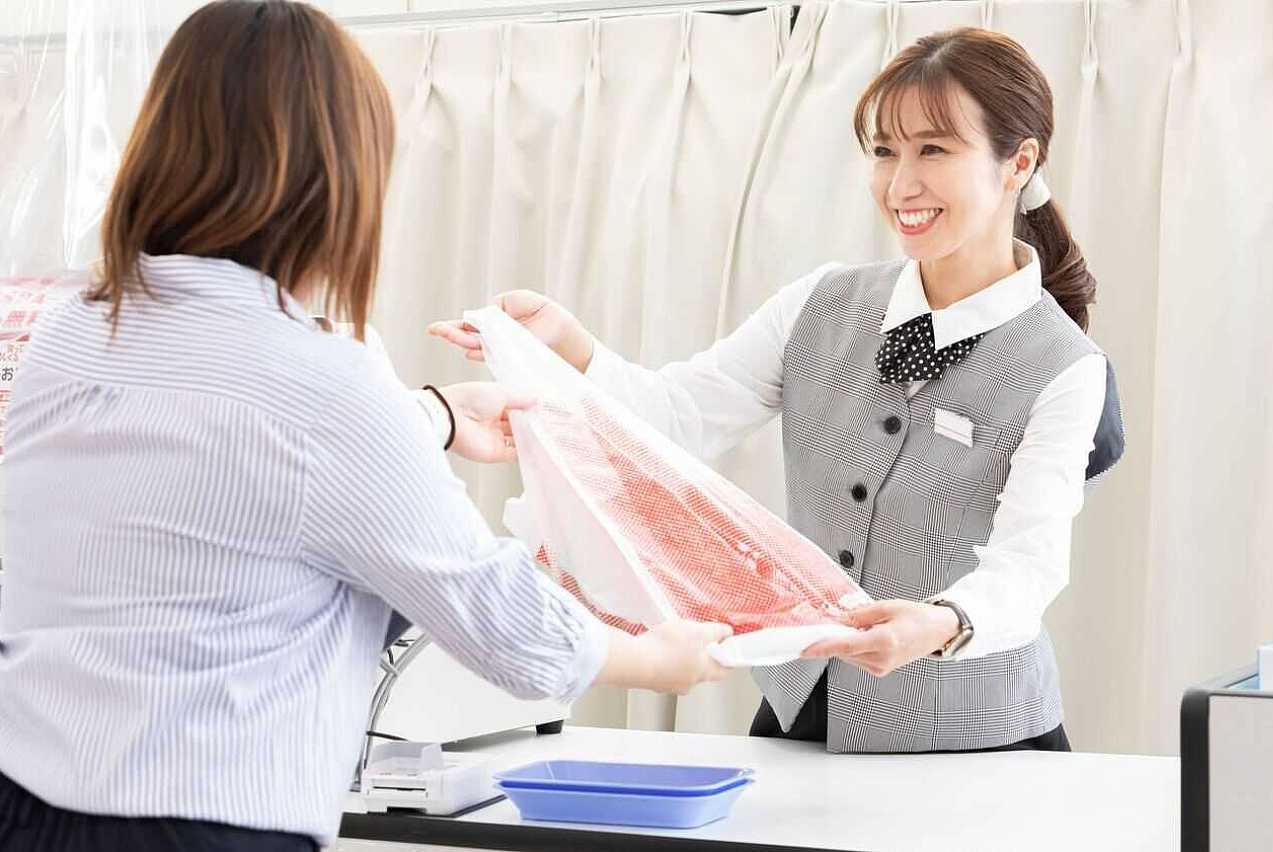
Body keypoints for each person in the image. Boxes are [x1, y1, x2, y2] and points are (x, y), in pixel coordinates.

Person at [0, 4, 729, 851]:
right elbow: (492, 611)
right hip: (201, 821)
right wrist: (656, 660)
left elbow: (223, 451)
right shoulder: (323, 376)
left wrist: (435, 415)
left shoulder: (73, 332)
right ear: (333, 181)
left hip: (25, 800)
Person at [432, 27, 1125, 755]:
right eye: (884, 151)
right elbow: (676, 418)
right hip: (803, 714)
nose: (900, 185)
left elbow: (1029, 563)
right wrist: (570, 346)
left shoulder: (1066, 367)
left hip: (980, 735)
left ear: (1019, 163)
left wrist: (943, 623)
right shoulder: (819, 303)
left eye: (933, 150)